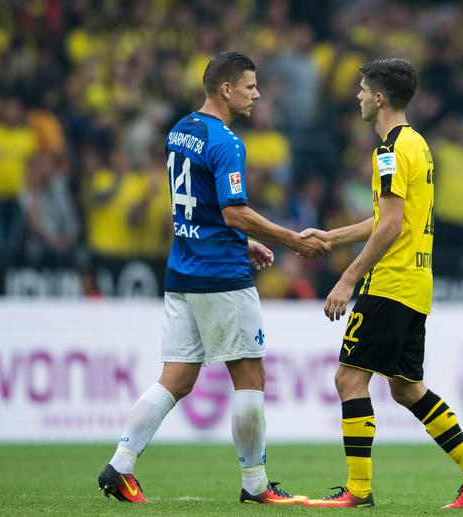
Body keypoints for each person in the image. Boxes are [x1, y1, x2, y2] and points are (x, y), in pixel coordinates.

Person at [97, 51, 329, 505]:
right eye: (250, 86)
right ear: (226, 89)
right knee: (250, 375)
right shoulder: (226, 142)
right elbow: (233, 211)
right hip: (221, 278)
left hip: (182, 271)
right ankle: (256, 484)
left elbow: (194, 209)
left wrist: (242, 242)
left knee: (177, 379)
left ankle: (120, 465)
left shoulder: (180, 130)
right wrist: (291, 240)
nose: (257, 94)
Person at [301, 59, 463, 509]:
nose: (356, 96)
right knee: (405, 387)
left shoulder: (389, 150)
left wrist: (347, 278)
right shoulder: (419, 145)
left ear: (379, 98)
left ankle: (358, 490)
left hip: (388, 281)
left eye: (361, 89)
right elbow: (390, 218)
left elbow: (390, 227)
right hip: (416, 282)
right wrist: (332, 236)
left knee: (349, 380)